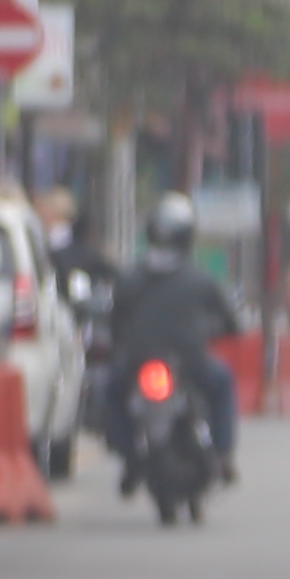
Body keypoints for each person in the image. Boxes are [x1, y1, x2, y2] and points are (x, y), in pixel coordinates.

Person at [103, 195, 247, 488]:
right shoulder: (201, 279)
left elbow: (115, 323)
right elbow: (231, 323)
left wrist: (121, 348)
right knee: (222, 383)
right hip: (189, 364)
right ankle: (222, 455)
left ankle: (129, 457)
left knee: (110, 389)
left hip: (139, 364)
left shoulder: (130, 278)